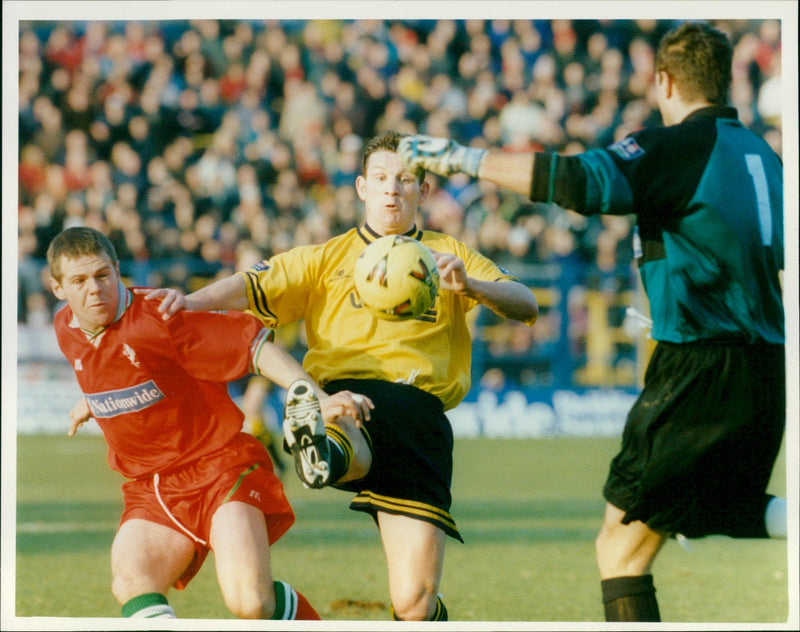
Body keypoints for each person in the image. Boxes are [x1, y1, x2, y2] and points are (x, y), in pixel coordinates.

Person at [398, 21, 786, 622]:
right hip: (767, 367)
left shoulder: (680, 145)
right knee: (714, 509)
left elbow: (577, 182)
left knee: (620, 550)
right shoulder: (766, 157)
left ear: (662, 79)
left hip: (701, 366)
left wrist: (461, 157)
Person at [144, 130, 539, 621]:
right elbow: (251, 285)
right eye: (380, 179)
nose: (392, 189)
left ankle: (325, 449)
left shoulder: (447, 253)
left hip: (419, 415)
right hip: (345, 398)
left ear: (424, 191)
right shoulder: (324, 258)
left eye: (405, 179)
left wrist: (472, 284)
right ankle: (321, 448)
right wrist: (191, 300)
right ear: (361, 188)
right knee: (348, 412)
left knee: (413, 603)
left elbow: (526, 304)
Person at [47, 226, 370, 620]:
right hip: (152, 488)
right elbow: (109, 360)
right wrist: (91, 400)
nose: (94, 289)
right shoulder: (66, 327)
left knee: (251, 602)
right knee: (132, 581)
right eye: (79, 281)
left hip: (220, 470)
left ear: (118, 270)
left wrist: (318, 399)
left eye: (102, 275)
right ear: (58, 288)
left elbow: (255, 349)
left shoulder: (160, 317)